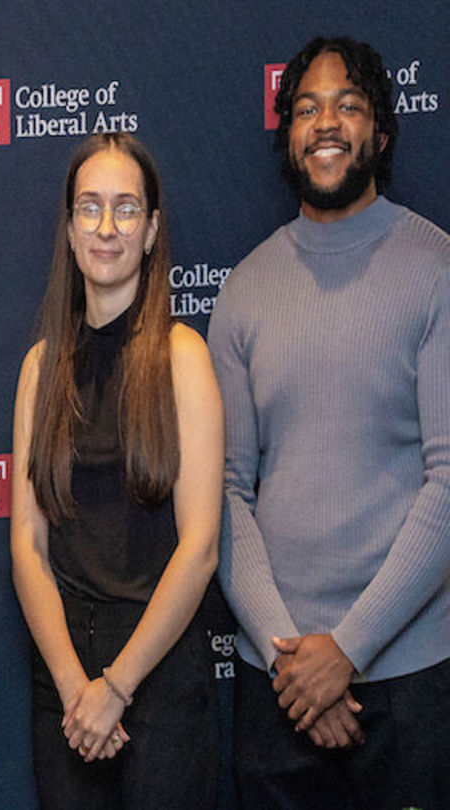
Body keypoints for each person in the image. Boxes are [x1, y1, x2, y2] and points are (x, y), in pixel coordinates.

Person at [209, 35, 450, 809]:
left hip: (409, 684)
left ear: (380, 131)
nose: (326, 123)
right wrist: (295, 664)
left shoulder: (435, 269)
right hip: (275, 684)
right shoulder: (244, 291)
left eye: (349, 105)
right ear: (287, 134)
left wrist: (346, 651)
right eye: (307, 107)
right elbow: (224, 493)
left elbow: (449, 484)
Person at [8, 133, 223, 809]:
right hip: (66, 694)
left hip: (160, 682)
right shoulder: (40, 368)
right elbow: (27, 546)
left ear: (152, 230)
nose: (106, 227)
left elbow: (201, 546)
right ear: (69, 231)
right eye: (90, 208)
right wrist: (78, 689)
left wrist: (118, 686)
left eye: (126, 209)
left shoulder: (182, 356)